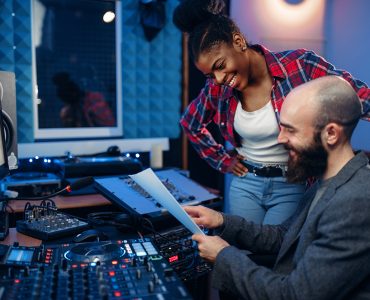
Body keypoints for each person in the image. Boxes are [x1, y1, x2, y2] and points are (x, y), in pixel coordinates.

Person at [173, 0, 370, 225]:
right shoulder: (217, 88)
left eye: (220, 65)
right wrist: (222, 160)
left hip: (292, 182)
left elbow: (357, 95)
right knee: (243, 252)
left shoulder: (299, 65)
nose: (218, 80)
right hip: (246, 184)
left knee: (277, 252)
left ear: (238, 42)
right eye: (210, 75)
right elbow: (191, 122)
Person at [184, 76, 370, 299]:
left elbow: (295, 295)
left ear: (331, 134)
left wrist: (223, 255)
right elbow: (285, 237)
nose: (280, 139)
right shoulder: (328, 180)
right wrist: (221, 220)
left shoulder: (356, 201)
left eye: (290, 130)